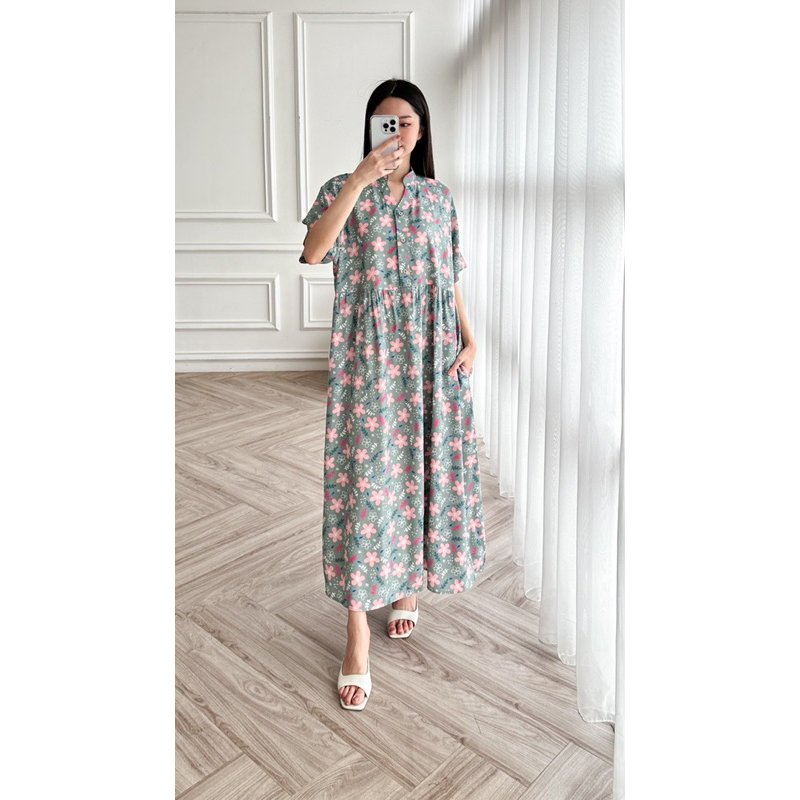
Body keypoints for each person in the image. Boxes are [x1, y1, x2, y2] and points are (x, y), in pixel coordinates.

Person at [299, 79, 486, 711]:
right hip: (369, 364)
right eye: (385, 122)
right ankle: (357, 635)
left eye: (406, 122)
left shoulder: (438, 199)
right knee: (365, 486)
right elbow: (314, 251)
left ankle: (406, 586)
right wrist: (358, 180)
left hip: (433, 359)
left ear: (422, 130)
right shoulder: (342, 190)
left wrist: (470, 337)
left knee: (420, 474)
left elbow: (448, 277)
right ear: (371, 129)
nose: (396, 132)